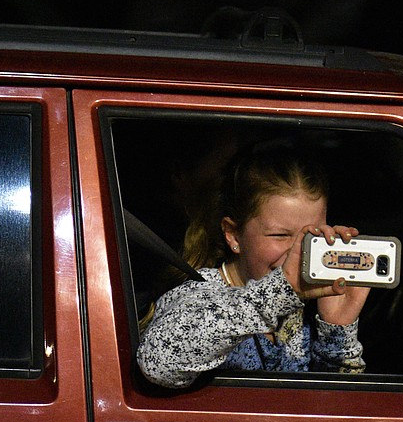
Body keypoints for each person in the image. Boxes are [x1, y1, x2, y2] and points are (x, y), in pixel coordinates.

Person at [137, 145, 370, 388]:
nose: (298, 253)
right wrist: (279, 292)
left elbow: (335, 409)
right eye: (280, 235)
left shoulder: (300, 309)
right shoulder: (197, 294)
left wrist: (337, 329)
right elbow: (159, 364)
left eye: (312, 237)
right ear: (234, 235)